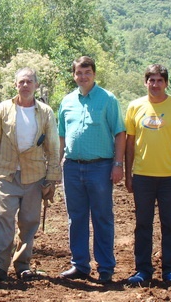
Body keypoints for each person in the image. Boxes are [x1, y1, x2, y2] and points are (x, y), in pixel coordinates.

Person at [0, 67, 61, 281]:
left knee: (29, 221)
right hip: (6, 173)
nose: (25, 85)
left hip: (34, 176)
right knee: (5, 219)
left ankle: (23, 265)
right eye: (21, 82)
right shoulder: (4, 108)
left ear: (35, 85)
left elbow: (53, 146)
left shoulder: (45, 112)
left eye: (29, 82)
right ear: (15, 85)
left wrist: (52, 178)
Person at [58, 56, 125, 284]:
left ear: (94, 74)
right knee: (75, 218)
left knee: (102, 218)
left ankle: (105, 267)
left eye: (87, 72)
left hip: (101, 167)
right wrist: (59, 163)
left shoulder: (108, 99)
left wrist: (118, 164)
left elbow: (119, 132)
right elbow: (61, 135)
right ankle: (80, 265)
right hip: (72, 168)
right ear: (74, 75)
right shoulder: (67, 101)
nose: (83, 76)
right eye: (79, 73)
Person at [124, 63, 171, 285]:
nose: (155, 85)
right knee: (143, 224)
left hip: (170, 177)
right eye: (151, 80)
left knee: (170, 225)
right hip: (143, 177)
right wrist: (128, 174)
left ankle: (170, 271)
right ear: (146, 82)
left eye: (159, 80)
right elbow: (129, 144)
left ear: (166, 83)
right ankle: (143, 270)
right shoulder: (135, 107)